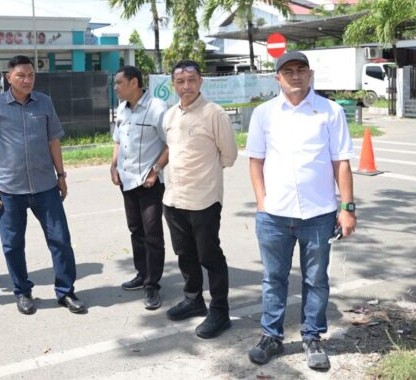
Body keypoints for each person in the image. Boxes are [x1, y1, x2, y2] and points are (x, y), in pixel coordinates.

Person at [246, 51, 356, 370]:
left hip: (319, 215)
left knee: (316, 279)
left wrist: (347, 208)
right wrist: (261, 201)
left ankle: (312, 337)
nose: (295, 75)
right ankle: (271, 336)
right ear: (277, 77)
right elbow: (256, 160)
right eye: (288, 71)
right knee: (274, 278)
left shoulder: (330, 111)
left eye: (301, 70)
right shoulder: (264, 114)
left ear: (309, 74)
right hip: (274, 216)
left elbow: (341, 163)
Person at [0, 55, 86, 315]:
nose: (27, 80)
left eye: (31, 75)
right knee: (13, 244)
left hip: (45, 186)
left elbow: (54, 140)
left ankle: (66, 292)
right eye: (21, 76)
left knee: (60, 240)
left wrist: (61, 175)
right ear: (9, 78)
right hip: (9, 188)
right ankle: (23, 292)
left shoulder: (44, 102)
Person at [162, 59, 238, 339]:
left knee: (209, 256)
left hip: (204, 199)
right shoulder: (170, 115)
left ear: (201, 81)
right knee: (185, 254)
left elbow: (229, 155)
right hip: (173, 199)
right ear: (173, 85)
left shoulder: (214, 114)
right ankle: (194, 299)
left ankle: (220, 311)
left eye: (191, 80)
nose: (186, 86)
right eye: (180, 81)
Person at [110, 65, 168, 310]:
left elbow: (171, 144)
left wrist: (155, 170)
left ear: (134, 83)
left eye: (119, 83)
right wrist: (113, 166)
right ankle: (141, 274)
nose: (116, 88)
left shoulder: (157, 108)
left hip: (148, 182)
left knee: (152, 234)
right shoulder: (123, 109)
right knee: (136, 230)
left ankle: (152, 285)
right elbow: (117, 140)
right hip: (127, 180)